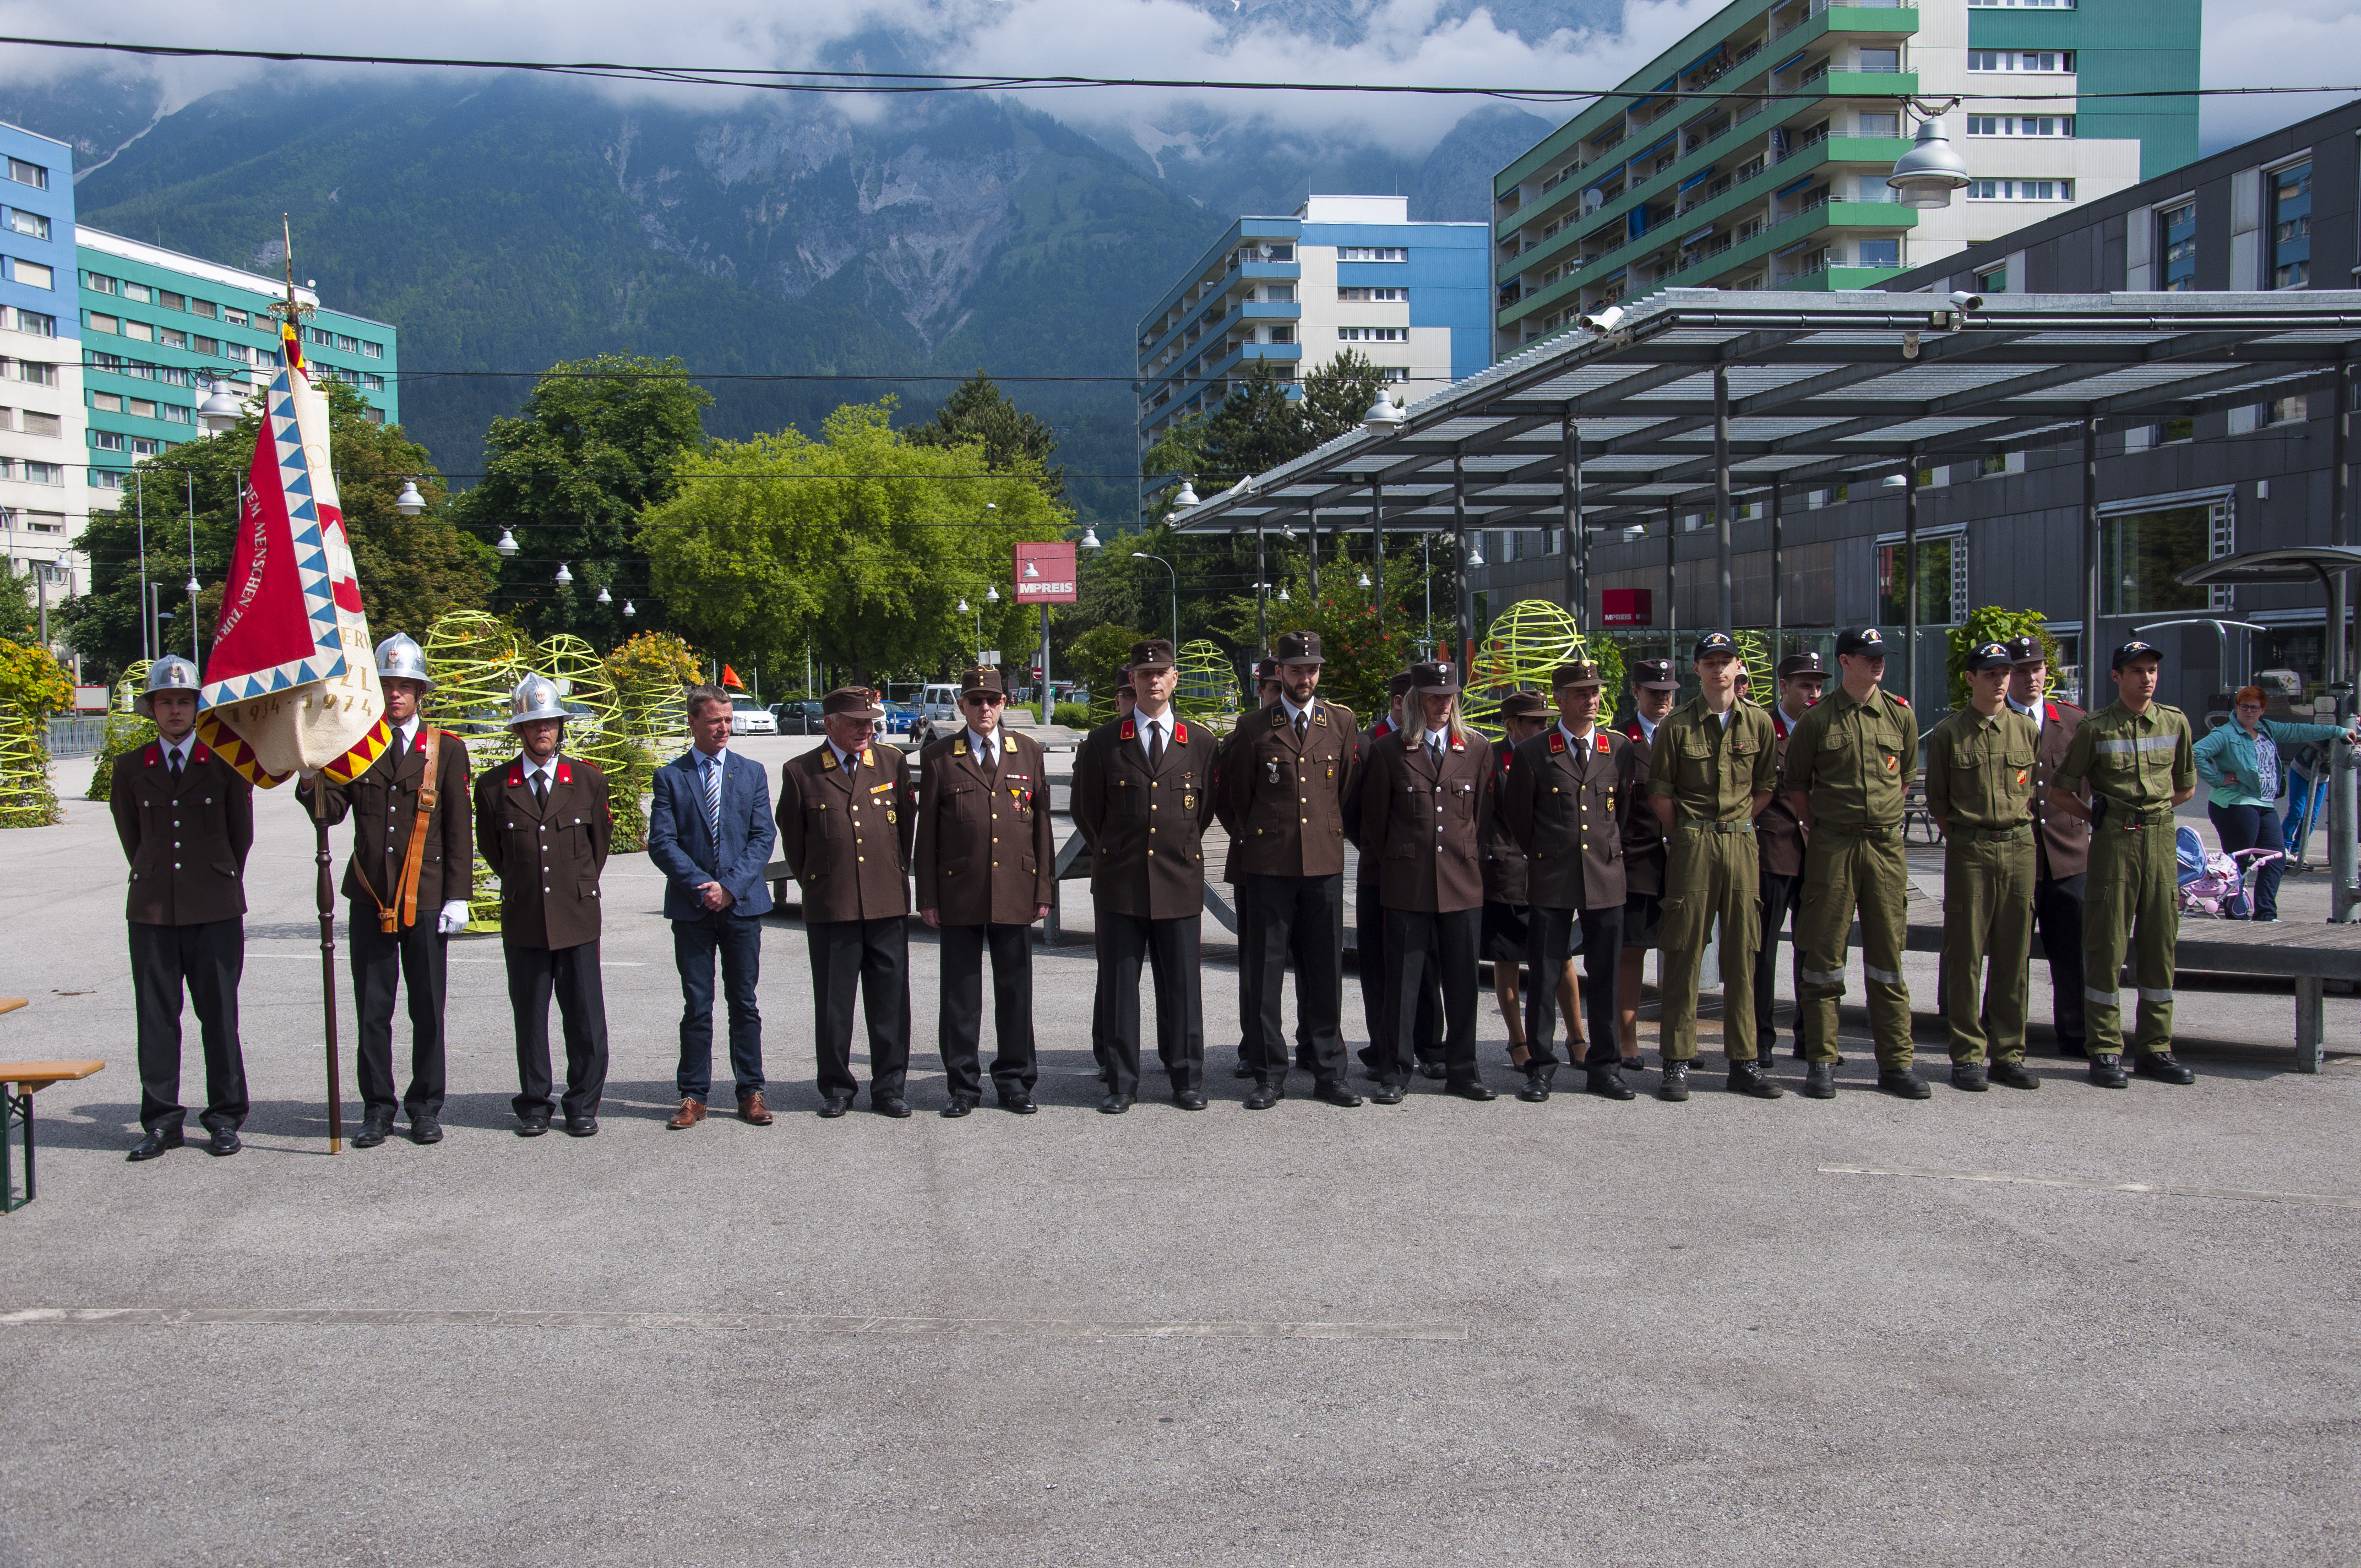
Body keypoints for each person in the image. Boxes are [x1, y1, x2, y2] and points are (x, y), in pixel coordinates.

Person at [295, 634, 473, 1149]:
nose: (395, 695)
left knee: (427, 1007)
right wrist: (310, 778)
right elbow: (331, 812)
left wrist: (459, 895)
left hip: (428, 893)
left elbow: (459, 828)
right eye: (387, 686)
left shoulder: (445, 749)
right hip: (372, 895)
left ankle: (425, 1107)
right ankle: (377, 1108)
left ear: (421, 693)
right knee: (373, 1009)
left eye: (404, 687)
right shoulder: (357, 744)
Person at [1070, 638, 1220, 1113]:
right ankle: (1122, 1082)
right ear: (1131, 681)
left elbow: (1205, 812)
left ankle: (1186, 1079)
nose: (1153, 680)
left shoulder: (1200, 743)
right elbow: (1086, 811)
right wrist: (1115, 851)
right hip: (1121, 880)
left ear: (1175, 679)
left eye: (1162, 673)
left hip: (1177, 879)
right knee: (1119, 986)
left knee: (1182, 986)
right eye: (1144, 674)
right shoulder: (1103, 742)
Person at [1215, 631, 1363, 1109]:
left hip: (1321, 865)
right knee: (1264, 975)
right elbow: (1235, 797)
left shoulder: (1341, 723)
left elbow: (1342, 792)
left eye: (1312, 669)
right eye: (1296, 669)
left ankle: (1328, 1072)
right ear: (1280, 672)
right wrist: (1262, 837)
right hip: (1269, 866)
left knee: (1325, 972)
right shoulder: (1254, 726)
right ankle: (1268, 1072)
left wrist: (1318, 833)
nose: (1305, 677)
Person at [115, 656, 254, 1161]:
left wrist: (212, 877)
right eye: (165, 702)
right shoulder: (132, 767)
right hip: (152, 909)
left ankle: (224, 1116)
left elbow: (241, 836)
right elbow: (132, 836)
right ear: (152, 709)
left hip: (215, 906)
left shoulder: (225, 764)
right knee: (155, 1017)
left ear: (198, 707)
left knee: (218, 1014)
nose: (175, 710)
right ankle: (161, 1120)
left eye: (184, 701)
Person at [2049, 640, 2200, 1087]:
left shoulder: (2175, 722)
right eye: (2136, 670)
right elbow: (2061, 791)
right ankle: (2106, 1049)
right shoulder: (2096, 728)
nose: (2147, 678)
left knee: (2159, 947)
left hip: (2159, 841)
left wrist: (2152, 812)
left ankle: (2156, 1048)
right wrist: (2095, 815)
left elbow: (2187, 787)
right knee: (2106, 946)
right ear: (2117, 677)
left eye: (2152, 669)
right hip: (2115, 842)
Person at [1349, 660, 1498, 1105]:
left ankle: (1463, 1071)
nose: (1442, 704)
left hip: (1461, 882)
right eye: (1434, 697)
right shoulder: (1389, 751)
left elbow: (1482, 821)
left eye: (1449, 696)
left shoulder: (1476, 749)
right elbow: (1374, 821)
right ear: (1415, 699)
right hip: (1408, 883)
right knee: (1403, 983)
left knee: (1462, 984)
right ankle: (1395, 1071)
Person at [1783, 626, 1921, 1100]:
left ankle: (1896, 1064)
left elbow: (1903, 779)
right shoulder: (1818, 720)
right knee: (1824, 959)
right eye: (1868, 656)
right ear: (1845, 661)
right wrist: (1818, 827)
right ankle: (1821, 1061)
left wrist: (1878, 817)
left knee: (1889, 961)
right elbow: (1798, 784)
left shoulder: (1901, 716)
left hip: (1884, 848)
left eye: (1882, 656)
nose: (1878, 663)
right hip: (1834, 848)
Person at [474, 673, 612, 1137]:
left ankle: (583, 1104)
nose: (543, 731)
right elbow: (493, 849)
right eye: (533, 724)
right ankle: (535, 1104)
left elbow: (599, 847)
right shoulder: (495, 787)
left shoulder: (588, 780)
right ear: (519, 730)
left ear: (561, 726)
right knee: (530, 1016)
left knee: (585, 1015)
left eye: (550, 723)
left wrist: (573, 885)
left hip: (575, 915)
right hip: (526, 914)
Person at [914, 667, 1057, 1116]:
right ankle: (963, 1085)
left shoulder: (1027, 752)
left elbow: (1042, 827)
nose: (985, 708)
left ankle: (1015, 1082)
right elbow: (928, 834)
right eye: (975, 701)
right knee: (961, 993)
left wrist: (1044, 887)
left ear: (1005, 703)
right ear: (962, 706)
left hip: (1015, 886)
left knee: (1015, 991)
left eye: (992, 700)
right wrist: (928, 897)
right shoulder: (940, 755)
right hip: (960, 890)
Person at [1647, 633, 1781, 1102]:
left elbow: (1765, 787)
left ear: (1738, 668)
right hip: (1695, 841)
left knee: (1743, 952)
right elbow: (1661, 794)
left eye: (1726, 662)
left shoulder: (1759, 722)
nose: (1719, 670)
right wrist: (1687, 833)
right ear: (1697, 669)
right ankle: (1677, 1061)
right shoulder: (1678, 726)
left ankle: (1744, 1062)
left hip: (1741, 842)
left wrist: (1738, 823)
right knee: (1684, 950)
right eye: (1710, 662)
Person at [776, 687, 917, 1118]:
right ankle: (837, 1086)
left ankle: (890, 1087)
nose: (866, 729)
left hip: (886, 901)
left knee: (891, 1002)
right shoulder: (801, 772)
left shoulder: (891, 762)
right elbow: (796, 845)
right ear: (831, 722)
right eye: (857, 722)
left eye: (870, 721)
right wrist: (824, 884)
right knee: (835, 1003)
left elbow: (905, 830)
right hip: (833, 904)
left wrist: (893, 873)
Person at [1500, 661, 1638, 1102]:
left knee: (1605, 977)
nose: (1591, 700)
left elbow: (1624, 813)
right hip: (1552, 874)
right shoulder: (1535, 752)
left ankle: (1605, 1068)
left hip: (1605, 875)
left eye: (1595, 692)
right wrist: (1547, 854)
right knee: (1543, 976)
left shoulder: (1617, 748)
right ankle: (1540, 1069)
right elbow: (1520, 817)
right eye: (1581, 693)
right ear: (1559, 699)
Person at [647, 683, 777, 1130]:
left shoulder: (751, 772)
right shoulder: (671, 777)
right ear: (693, 723)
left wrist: (731, 887)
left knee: (744, 1002)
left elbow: (763, 838)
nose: (723, 728)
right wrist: (703, 887)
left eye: (727, 720)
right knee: (697, 1004)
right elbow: (662, 843)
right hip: (693, 909)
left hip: (741, 907)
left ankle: (751, 1092)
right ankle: (693, 1095)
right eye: (714, 721)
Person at [1924, 641, 2043, 1091]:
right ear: (1971, 678)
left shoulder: (2026, 731)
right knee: (1966, 953)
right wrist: (1970, 839)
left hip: (2018, 846)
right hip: (1971, 848)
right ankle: (1968, 1055)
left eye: (2004, 673)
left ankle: (2009, 1053)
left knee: (2014, 955)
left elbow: (2030, 790)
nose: (2000, 680)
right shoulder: (1949, 733)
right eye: (1990, 673)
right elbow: (1939, 802)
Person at [2193, 684, 2356, 922]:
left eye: (2254, 708)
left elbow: (2300, 731)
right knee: (2238, 859)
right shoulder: (2225, 734)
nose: (2248, 712)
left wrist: (2339, 731)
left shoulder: (2267, 729)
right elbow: (2196, 752)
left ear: (2262, 711)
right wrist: (2218, 779)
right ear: (2237, 708)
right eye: (2244, 707)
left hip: (2264, 803)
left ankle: (2266, 914)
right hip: (2234, 804)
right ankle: (2235, 913)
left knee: (2276, 857)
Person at [2006, 638, 2093, 1059]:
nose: (2032, 677)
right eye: (2021, 670)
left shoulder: (2073, 721)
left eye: (2037, 668)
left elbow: (2093, 782)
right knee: (2010, 952)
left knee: (2073, 952)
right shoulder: (1995, 719)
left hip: (2068, 855)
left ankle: (2076, 1033)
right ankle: (2007, 1035)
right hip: (2017, 857)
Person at [1481, 692, 1575, 1075]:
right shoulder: (1491, 757)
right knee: (1508, 960)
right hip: (1507, 872)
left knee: (1561, 958)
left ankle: (1577, 1036)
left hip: (1550, 871)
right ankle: (1518, 1040)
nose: (1543, 727)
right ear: (1513, 723)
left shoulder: (1552, 752)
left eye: (1545, 720)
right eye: (1535, 721)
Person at [1355, 670, 1442, 1076]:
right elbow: (1357, 809)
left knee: (1424, 963)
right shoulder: (1368, 743)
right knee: (1379, 966)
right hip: (1378, 869)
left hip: (1421, 875)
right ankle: (1383, 1045)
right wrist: (1382, 848)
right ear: (1397, 702)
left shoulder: (1437, 744)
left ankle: (1429, 1044)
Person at [1756, 651, 1824, 1063]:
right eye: (1804, 685)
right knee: (1762, 950)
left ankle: (1812, 1037)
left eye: (1818, 685)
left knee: (1815, 949)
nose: (1813, 692)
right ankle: (1760, 1039)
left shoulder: (1828, 726)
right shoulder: (1764, 727)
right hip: (1773, 849)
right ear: (1784, 687)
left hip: (1819, 854)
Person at [1615, 658, 1680, 1075]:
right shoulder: (1622, 740)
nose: (1662, 698)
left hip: (1682, 862)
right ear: (1637, 692)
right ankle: (1627, 1037)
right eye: (1654, 691)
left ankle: (1680, 1038)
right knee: (1631, 953)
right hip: (1637, 861)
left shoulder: (1687, 732)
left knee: (1681, 953)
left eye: (1668, 691)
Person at [1227, 656, 1289, 1081]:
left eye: (1276, 685)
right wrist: (1255, 837)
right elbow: (1229, 799)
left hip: (1306, 865)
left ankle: (1318, 1043)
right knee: (1258, 964)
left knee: (1312, 959)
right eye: (1267, 687)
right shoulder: (1245, 734)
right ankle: (1256, 1045)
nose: (1273, 693)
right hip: (1255, 863)